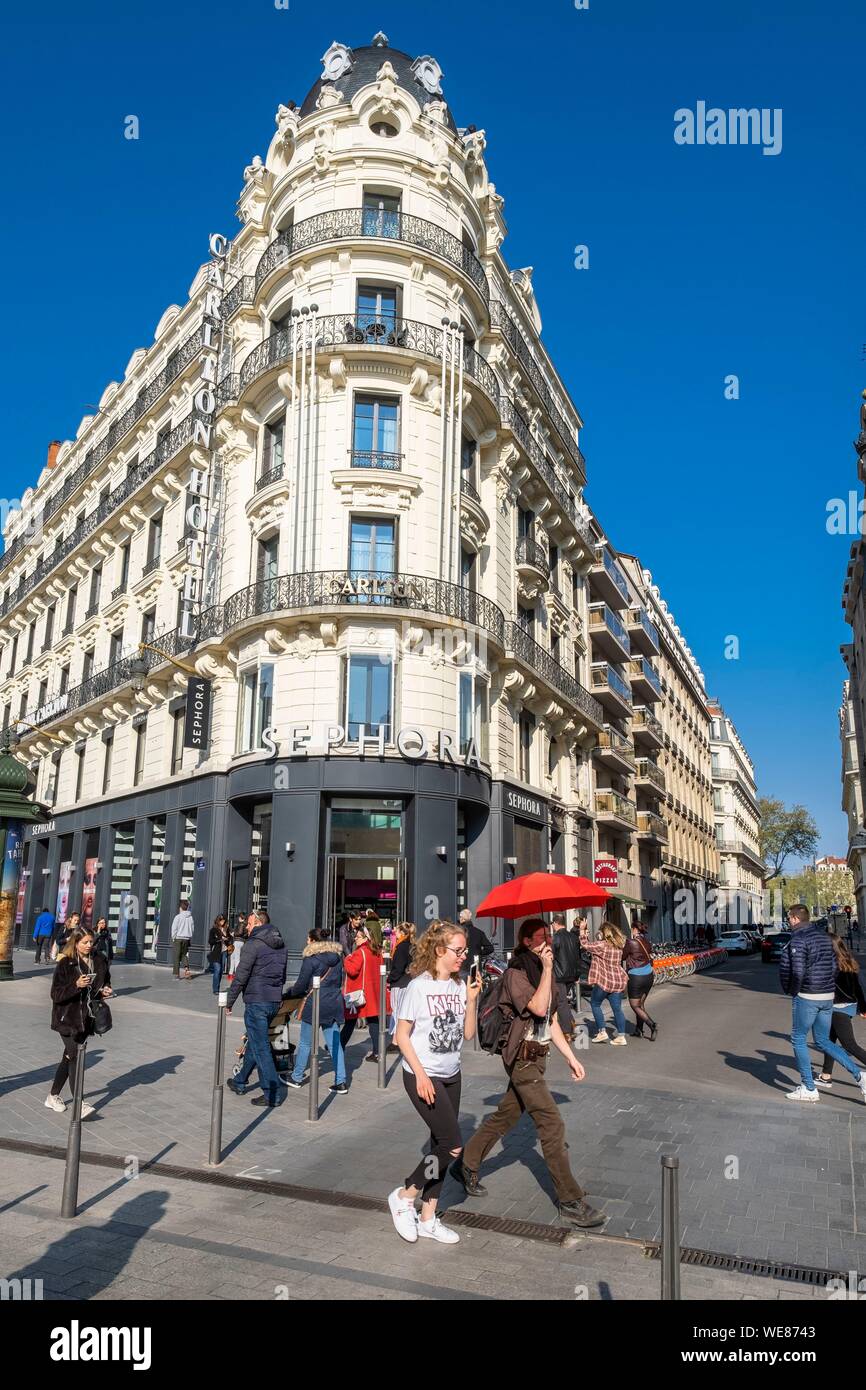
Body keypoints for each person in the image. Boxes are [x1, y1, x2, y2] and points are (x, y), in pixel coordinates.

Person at [457, 917, 605, 1229]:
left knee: (506, 1116)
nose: (547, 942)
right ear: (526, 941)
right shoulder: (516, 973)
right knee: (551, 1124)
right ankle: (570, 1199)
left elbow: (550, 1020)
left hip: (538, 1057)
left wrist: (571, 1057)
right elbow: (537, 1009)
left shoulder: (542, 972)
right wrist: (549, 970)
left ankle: (466, 1163)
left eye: (549, 936)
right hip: (521, 1059)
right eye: (541, 937)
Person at [388, 920, 481, 1245]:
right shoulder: (419, 987)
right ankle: (404, 1195)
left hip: (451, 1074)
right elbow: (401, 1036)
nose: (463, 956)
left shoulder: (459, 985)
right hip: (421, 1075)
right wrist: (423, 1076)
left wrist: (471, 1000)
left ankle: (428, 1217)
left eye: (465, 951)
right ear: (439, 950)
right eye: (458, 951)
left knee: (439, 1146)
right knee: (452, 1144)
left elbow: (468, 1035)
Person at [780, 904, 866, 1103]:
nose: (789, 921)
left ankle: (809, 1088)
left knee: (798, 1039)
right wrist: (826, 987)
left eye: (789, 918)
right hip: (827, 997)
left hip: (807, 995)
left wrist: (793, 990)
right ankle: (860, 1076)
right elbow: (835, 966)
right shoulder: (823, 936)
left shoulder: (799, 939)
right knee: (823, 1041)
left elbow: (798, 970)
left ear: (794, 919)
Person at [45, 926, 113, 1116]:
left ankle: (53, 1096)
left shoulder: (99, 960)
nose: (89, 946)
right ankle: (78, 1103)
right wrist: (75, 985)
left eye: (91, 942)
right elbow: (55, 994)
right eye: (85, 942)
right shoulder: (66, 963)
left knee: (69, 1055)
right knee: (75, 1054)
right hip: (67, 1017)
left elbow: (105, 981)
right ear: (75, 943)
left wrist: (105, 990)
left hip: (87, 1018)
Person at [225, 909, 288, 1107]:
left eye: (250, 924)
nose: (248, 927)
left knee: (261, 1048)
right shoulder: (281, 944)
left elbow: (241, 975)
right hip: (273, 1001)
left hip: (256, 1002)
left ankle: (272, 1094)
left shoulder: (253, 944)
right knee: (255, 1042)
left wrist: (229, 1001)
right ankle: (240, 1080)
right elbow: (282, 976)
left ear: (259, 924)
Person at [283, 928, 347, 1094]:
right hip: (333, 1002)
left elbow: (301, 985)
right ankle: (341, 1081)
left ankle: (296, 1077)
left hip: (315, 1002)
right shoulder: (337, 957)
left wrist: (290, 992)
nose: (306, 941)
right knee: (334, 1043)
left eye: (308, 939)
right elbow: (341, 979)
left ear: (313, 941)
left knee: (306, 1042)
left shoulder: (311, 959)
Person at [815, 935, 866, 1089]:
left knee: (849, 1044)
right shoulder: (849, 962)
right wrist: (863, 1008)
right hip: (848, 1006)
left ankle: (828, 1076)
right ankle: (826, 1075)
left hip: (836, 1008)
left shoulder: (831, 966)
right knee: (829, 1041)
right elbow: (859, 988)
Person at [340, 918, 387, 1063]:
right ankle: (378, 1052)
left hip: (359, 993)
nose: (355, 938)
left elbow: (352, 970)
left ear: (366, 937)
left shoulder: (360, 952)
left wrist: (347, 958)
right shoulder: (377, 951)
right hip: (372, 992)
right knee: (373, 1021)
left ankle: (338, 1046)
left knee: (350, 1021)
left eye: (358, 937)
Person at [579, 919, 629, 1045]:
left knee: (595, 1004)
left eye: (600, 932)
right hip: (617, 981)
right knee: (617, 1009)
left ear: (604, 933)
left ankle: (602, 1032)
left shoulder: (602, 946)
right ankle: (621, 1036)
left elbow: (585, 945)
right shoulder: (619, 946)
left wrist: (582, 930)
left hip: (604, 980)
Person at [622, 921, 657, 1040]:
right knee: (640, 1004)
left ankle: (652, 1025)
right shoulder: (647, 942)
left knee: (634, 1005)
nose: (631, 931)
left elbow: (623, 956)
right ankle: (639, 1030)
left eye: (632, 929)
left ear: (635, 929)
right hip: (649, 975)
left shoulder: (630, 942)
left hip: (636, 976)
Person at [552, 911, 583, 1037]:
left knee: (561, 1002)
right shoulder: (573, 937)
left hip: (559, 975)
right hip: (572, 974)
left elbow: (552, 955)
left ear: (555, 923)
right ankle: (570, 1023)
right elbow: (578, 957)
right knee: (563, 1001)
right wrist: (577, 975)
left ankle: (567, 1031)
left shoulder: (556, 938)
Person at [457, 908, 495, 974]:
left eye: (460, 917)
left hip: (461, 966)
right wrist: (479, 952)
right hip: (476, 966)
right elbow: (490, 948)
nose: (459, 919)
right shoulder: (479, 932)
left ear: (462, 919)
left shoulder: (458, 932)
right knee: (476, 984)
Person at [207, 915, 232, 997]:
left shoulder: (226, 930)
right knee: (217, 970)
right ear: (217, 921)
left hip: (224, 952)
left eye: (223, 921)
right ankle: (215, 989)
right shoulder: (213, 930)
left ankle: (217, 987)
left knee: (221, 971)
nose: (222, 922)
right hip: (216, 952)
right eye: (221, 920)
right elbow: (210, 941)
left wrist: (228, 939)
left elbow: (230, 939)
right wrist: (220, 939)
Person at [170, 898, 195, 979]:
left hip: (178, 938)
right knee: (184, 955)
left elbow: (174, 928)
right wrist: (189, 936)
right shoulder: (190, 917)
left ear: (180, 907)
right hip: (186, 938)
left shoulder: (178, 917)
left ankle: (176, 974)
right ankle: (187, 970)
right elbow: (192, 928)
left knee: (176, 956)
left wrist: (173, 937)